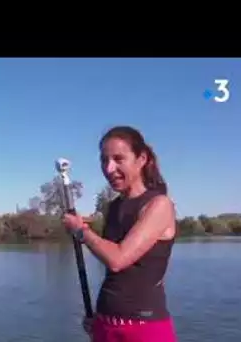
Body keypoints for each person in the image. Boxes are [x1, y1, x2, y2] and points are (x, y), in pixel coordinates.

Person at [62, 126, 177, 342]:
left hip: (144, 330)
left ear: (141, 158)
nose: (109, 168)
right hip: (105, 326)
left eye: (118, 159)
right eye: (104, 160)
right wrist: (99, 320)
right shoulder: (114, 207)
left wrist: (81, 231)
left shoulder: (159, 205)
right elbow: (115, 273)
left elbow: (118, 259)